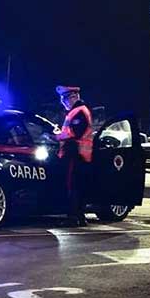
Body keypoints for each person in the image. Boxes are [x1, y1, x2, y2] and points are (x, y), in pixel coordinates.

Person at [55, 85, 93, 227]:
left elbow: (74, 133)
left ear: (73, 96)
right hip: (80, 155)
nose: (63, 102)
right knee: (78, 186)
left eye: (64, 98)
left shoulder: (79, 111)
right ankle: (79, 216)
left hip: (76, 154)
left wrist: (56, 136)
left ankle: (73, 217)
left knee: (72, 186)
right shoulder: (78, 111)